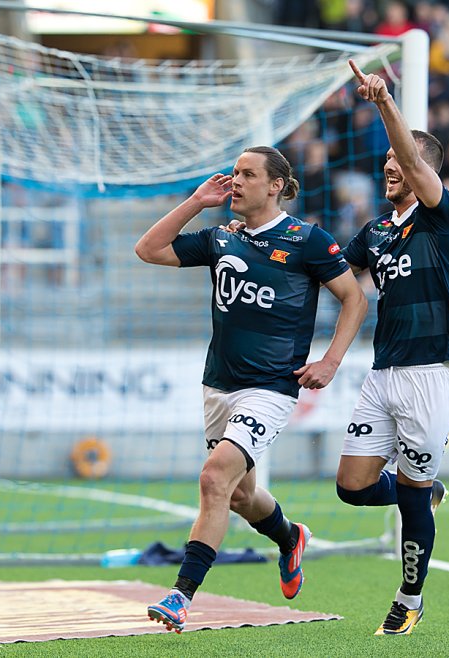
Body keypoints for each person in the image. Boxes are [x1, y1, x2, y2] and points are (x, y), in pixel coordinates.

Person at [134, 146, 367, 634]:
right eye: (234, 174)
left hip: (271, 388)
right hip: (219, 386)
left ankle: (181, 595)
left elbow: (354, 299)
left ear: (275, 185)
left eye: (247, 174)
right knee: (240, 496)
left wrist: (330, 360)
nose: (236, 182)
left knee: (213, 478)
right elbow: (149, 249)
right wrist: (197, 202)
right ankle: (289, 537)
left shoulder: (307, 240)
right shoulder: (222, 237)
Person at [335, 60, 449, 636]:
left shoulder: (443, 217)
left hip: (432, 374)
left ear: (423, 171)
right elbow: (336, 274)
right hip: (384, 370)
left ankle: (410, 597)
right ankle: (427, 491)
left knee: (410, 499)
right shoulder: (376, 230)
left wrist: (385, 103)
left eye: (398, 162)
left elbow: (412, 157)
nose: (389, 167)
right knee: (352, 486)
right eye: (386, 161)